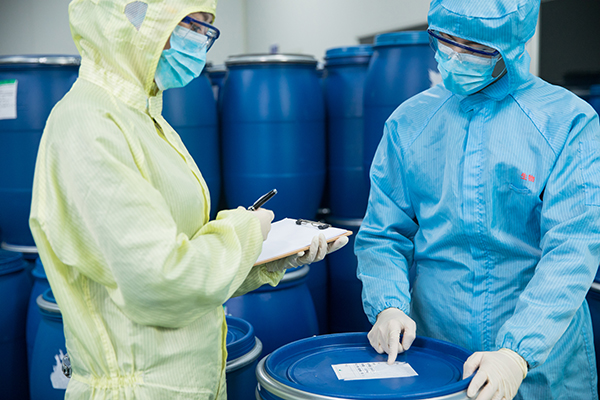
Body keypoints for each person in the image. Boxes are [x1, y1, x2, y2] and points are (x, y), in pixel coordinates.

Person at [29, 0, 347, 398]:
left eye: (207, 29)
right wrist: (244, 230)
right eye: (190, 25)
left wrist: (269, 258)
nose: (199, 40)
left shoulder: (144, 117)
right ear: (136, 17)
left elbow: (186, 262)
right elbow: (161, 281)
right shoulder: (90, 125)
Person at [355, 0, 600, 399]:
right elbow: (384, 234)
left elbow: (572, 249)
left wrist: (516, 353)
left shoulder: (567, 123)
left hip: (541, 363)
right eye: (445, 39)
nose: (454, 56)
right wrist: (389, 304)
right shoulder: (409, 123)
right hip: (437, 353)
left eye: (475, 48)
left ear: (511, 46)